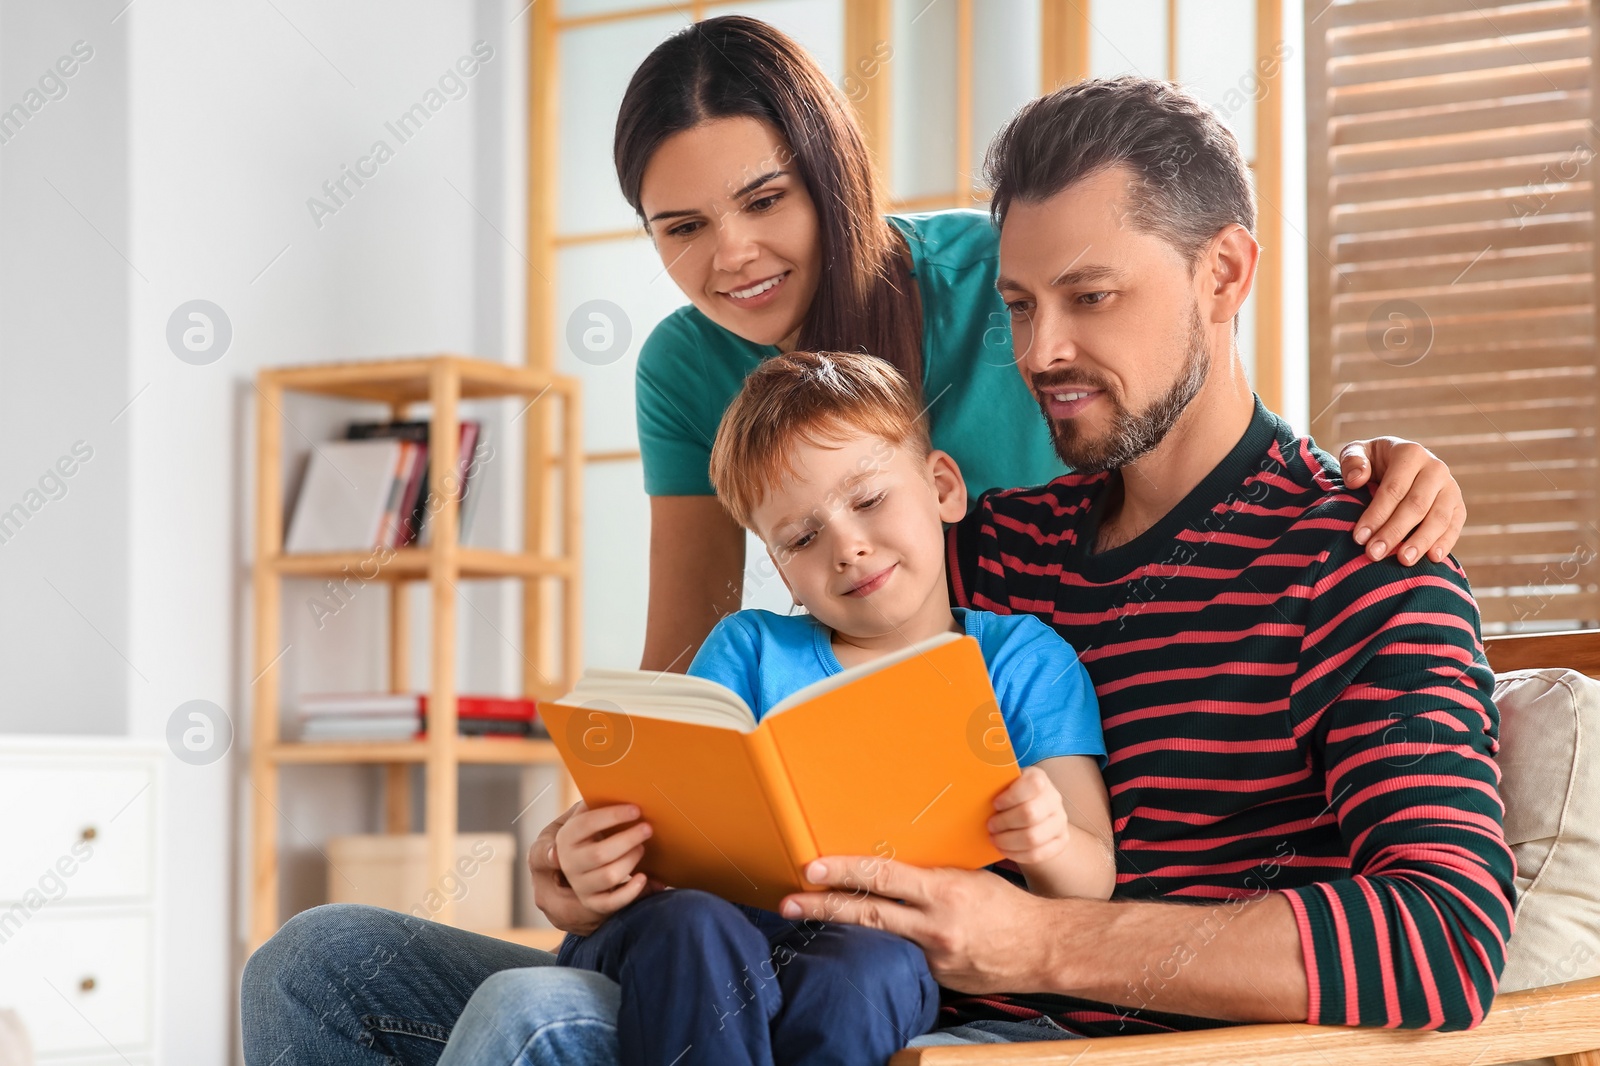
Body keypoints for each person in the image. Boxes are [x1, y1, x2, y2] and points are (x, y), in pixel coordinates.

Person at [775, 76, 1516, 1041]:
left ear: (1224, 274)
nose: (1042, 352)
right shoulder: (993, 553)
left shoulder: (1365, 559)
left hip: (1086, 1054)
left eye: (1090, 296)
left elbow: (1443, 938)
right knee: (532, 998)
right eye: (1021, 305)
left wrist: (1044, 941)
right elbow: (789, 746)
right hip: (860, 1016)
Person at [622, 15, 1469, 674]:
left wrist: (1357, 474)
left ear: (832, 176)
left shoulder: (999, 275)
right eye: (684, 226)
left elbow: (1182, 407)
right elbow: (684, 651)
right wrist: (626, 817)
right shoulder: (685, 368)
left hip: (1086, 672)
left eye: (766, 201)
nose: (731, 256)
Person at [550, 350, 1114, 1066]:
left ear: (942, 487)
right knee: (691, 925)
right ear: (778, 563)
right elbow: (665, 821)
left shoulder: (1021, 661)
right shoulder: (748, 648)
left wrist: (1047, 841)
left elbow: (1092, 881)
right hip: (708, 927)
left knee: (869, 968)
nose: (846, 547)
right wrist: (597, 856)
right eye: (801, 538)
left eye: (870, 500)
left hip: (876, 941)